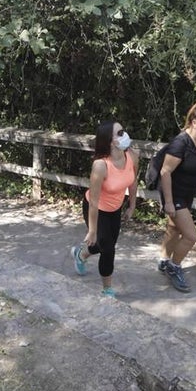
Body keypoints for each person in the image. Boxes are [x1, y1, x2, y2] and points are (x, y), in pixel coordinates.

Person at [155, 99, 196, 293]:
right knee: (191, 236)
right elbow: (165, 172)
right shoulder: (180, 143)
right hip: (174, 194)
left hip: (188, 193)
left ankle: (164, 260)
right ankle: (174, 267)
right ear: (194, 122)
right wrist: (168, 202)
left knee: (174, 230)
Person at [71, 120, 139, 298]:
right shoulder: (100, 165)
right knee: (108, 249)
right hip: (96, 208)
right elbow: (93, 201)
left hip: (115, 209)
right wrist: (92, 230)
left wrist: (132, 206)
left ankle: (81, 254)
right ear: (109, 142)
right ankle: (107, 288)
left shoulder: (132, 155)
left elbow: (133, 182)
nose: (123, 135)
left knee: (104, 246)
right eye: (118, 134)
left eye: (123, 131)